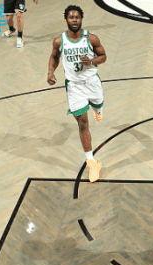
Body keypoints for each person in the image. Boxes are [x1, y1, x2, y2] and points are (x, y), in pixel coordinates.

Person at [47, 5, 106, 183]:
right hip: (74, 86)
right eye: (71, 17)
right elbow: (54, 57)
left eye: (77, 17)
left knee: (98, 105)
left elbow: (103, 56)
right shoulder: (59, 41)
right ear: (66, 19)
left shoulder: (91, 38)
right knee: (82, 124)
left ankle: (98, 109)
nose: (74, 20)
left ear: (81, 19)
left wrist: (92, 61)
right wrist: (50, 72)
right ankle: (92, 163)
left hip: (92, 82)